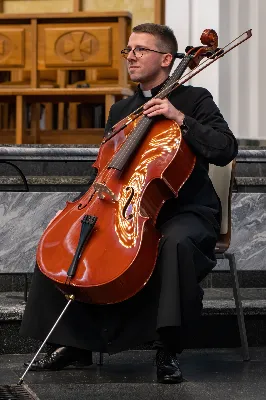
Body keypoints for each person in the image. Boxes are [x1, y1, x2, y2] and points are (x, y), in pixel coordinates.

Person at [20, 23, 238, 384]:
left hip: (185, 210)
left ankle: (167, 348)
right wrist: (83, 204)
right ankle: (74, 344)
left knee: (176, 244)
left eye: (140, 49)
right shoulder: (123, 108)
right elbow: (108, 165)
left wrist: (179, 117)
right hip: (125, 204)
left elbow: (225, 148)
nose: (131, 56)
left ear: (167, 59)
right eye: (128, 50)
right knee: (65, 236)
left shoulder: (195, 99)